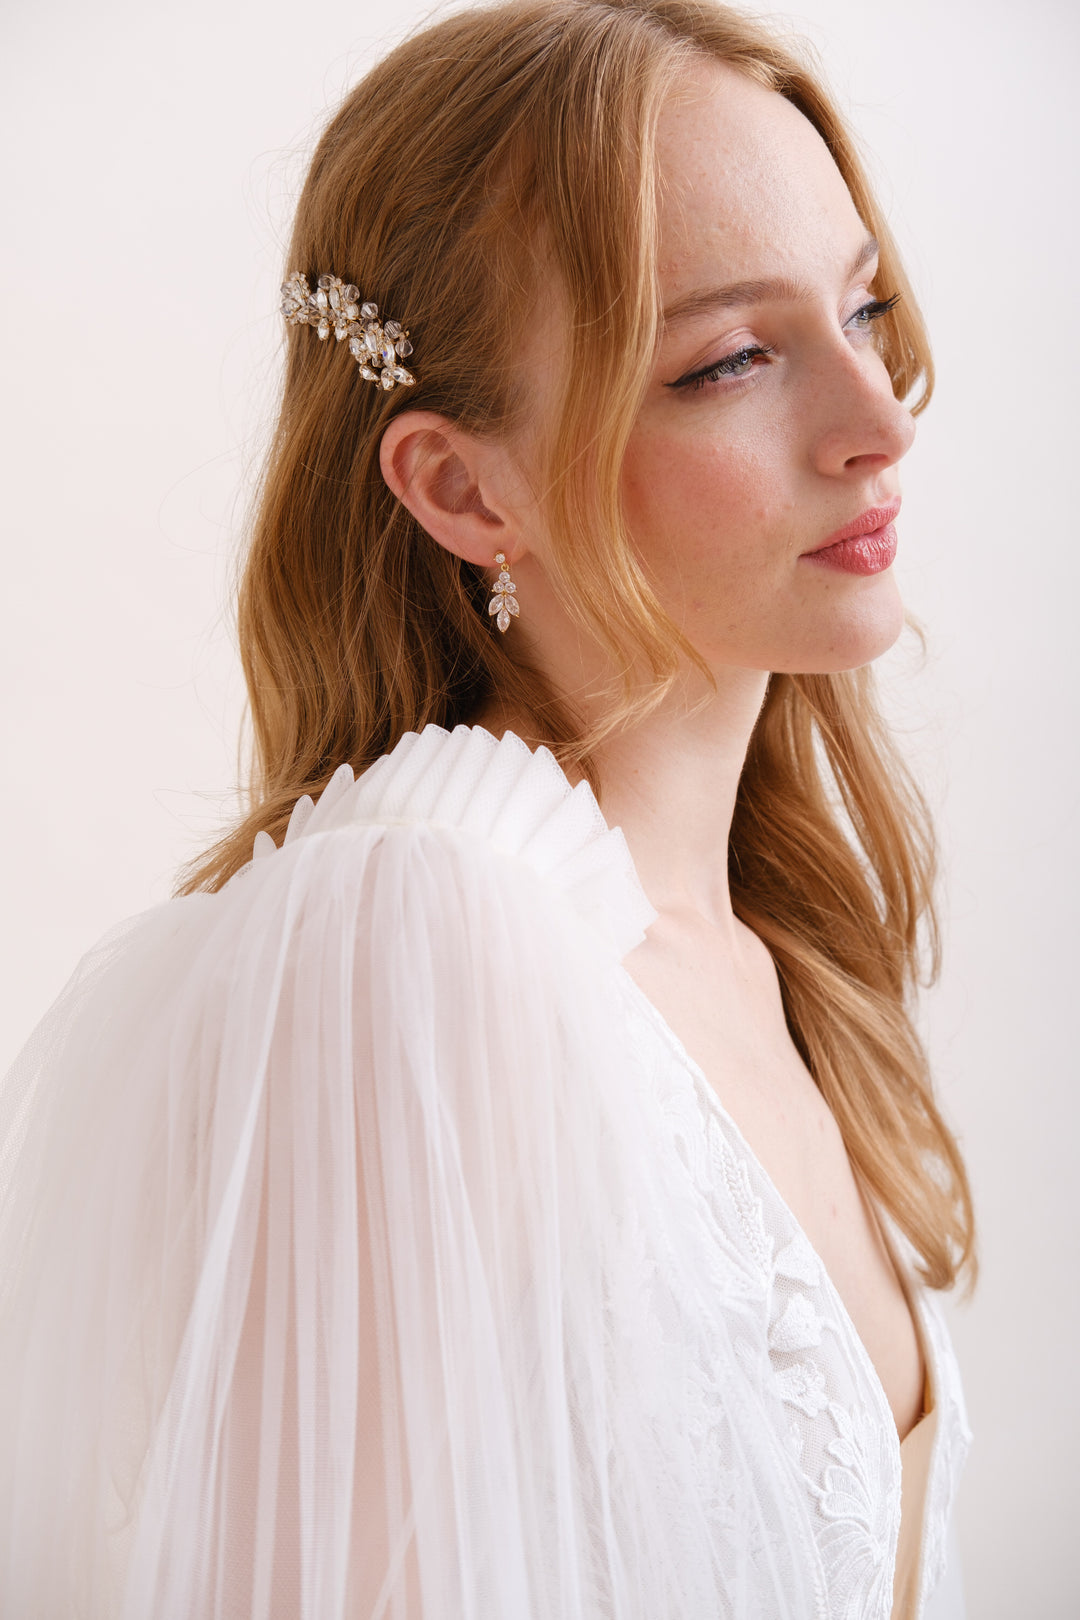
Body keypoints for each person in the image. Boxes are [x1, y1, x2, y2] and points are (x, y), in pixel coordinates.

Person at [0, 0, 977, 1614]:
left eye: (863, 306)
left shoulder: (781, 953)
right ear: (463, 488)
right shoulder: (427, 940)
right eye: (731, 360)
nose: (880, 421)